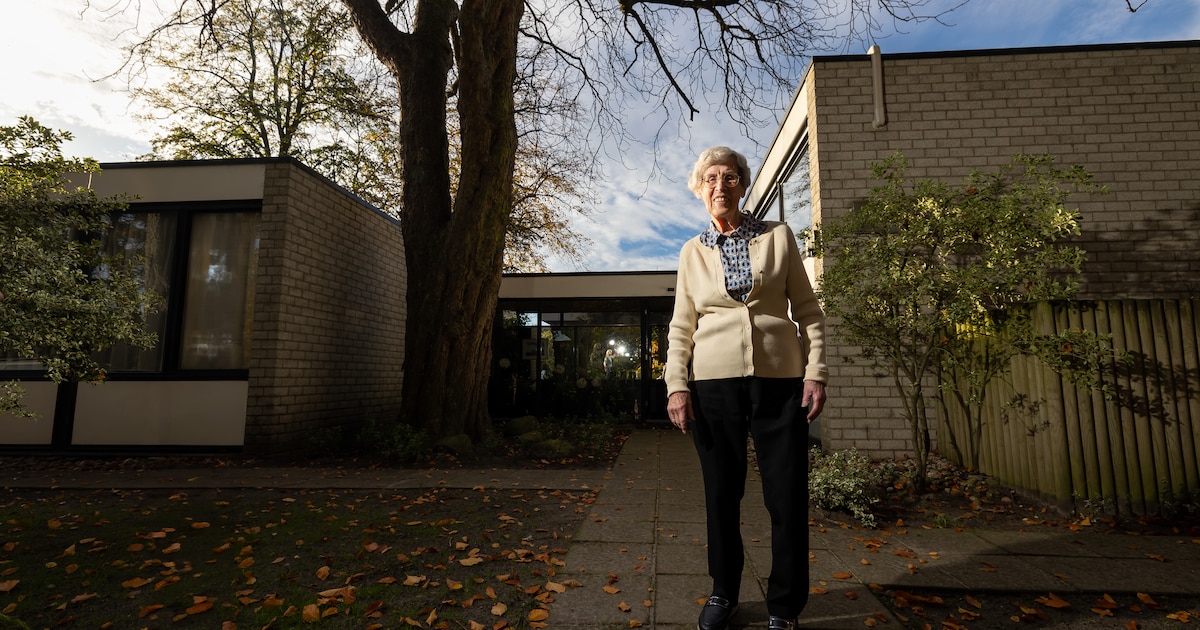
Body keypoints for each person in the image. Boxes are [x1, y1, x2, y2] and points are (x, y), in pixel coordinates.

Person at [663, 146, 827, 630]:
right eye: (711, 178)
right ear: (700, 189)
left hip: (781, 383)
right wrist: (677, 385)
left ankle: (784, 607)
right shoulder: (691, 251)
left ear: (743, 184)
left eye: (730, 177)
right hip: (712, 385)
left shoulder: (778, 237)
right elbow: (680, 326)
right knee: (721, 494)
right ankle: (723, 593)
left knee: (788, 494)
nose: (721, 186)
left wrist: (816, 371)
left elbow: (810, 313)